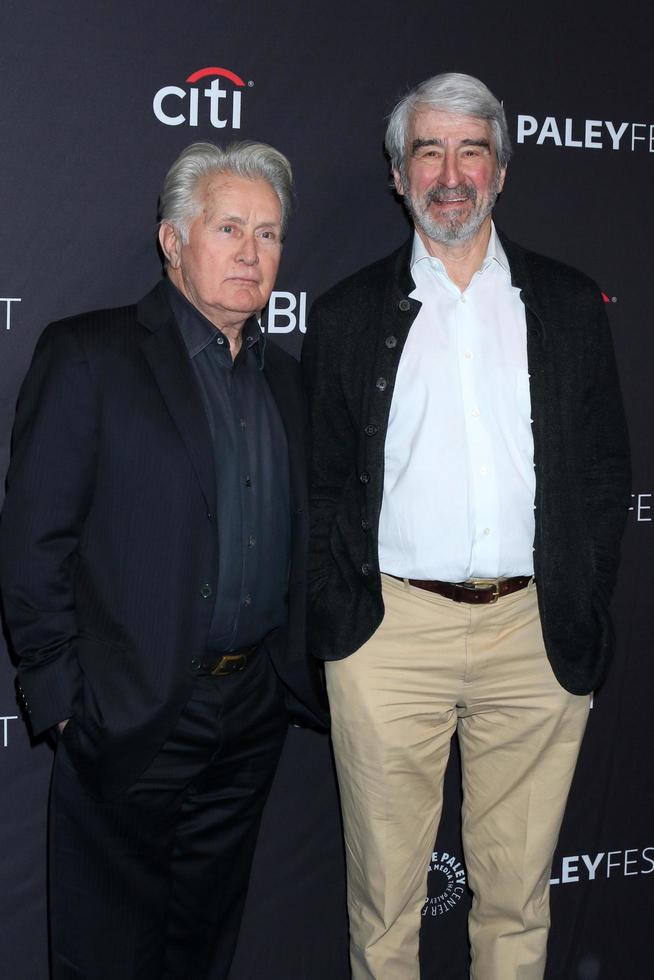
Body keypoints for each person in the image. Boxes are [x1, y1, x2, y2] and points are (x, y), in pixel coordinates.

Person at [301, 72, 630, 979]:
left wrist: (581, 593)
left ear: (501, 169)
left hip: (536, 633)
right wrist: (345, 624)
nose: (451, 173)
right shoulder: (344, 315)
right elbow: (321, 485)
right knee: (384, 907)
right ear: (399, 176)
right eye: (428, 151)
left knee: (518, 900)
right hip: (389, 635)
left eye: (471, 150)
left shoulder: (566, 305)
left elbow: (606, 473)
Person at [0, 140, 326, 980]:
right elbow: (34, 543)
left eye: (269, 234)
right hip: (129, 714)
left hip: (249, 716)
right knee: (107, 955)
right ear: (173, 241)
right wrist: (65, 701)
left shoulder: (288, 383)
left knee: (203, 949)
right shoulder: (89, 356)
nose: (252, 254)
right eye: (228, 229)